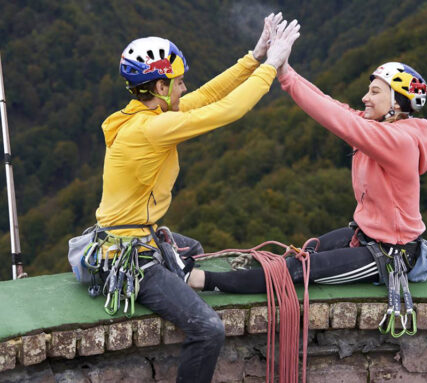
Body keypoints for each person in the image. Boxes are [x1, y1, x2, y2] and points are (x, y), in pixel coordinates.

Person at [94, 14, 301, 383]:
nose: (184, 88)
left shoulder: (146, 114)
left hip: (134, 236)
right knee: (209, 328)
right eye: (177, 82)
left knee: (193, 250)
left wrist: (253, 58)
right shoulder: (153, 129)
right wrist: (271, 67)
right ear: (159, 86)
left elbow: (206, 97)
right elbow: (228, 110)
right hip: (129, 255)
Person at [188, 60, 427, 294]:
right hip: (367, 235)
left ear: (397, 103)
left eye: (375, 92)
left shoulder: (399, 142)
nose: (365, 98)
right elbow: (333, 106)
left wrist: (286, 77)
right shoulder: (380, 129)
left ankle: (202, 280)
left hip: (392, 252)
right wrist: (286, 72)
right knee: (308, 250)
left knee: (297, 270)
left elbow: (338, 119)